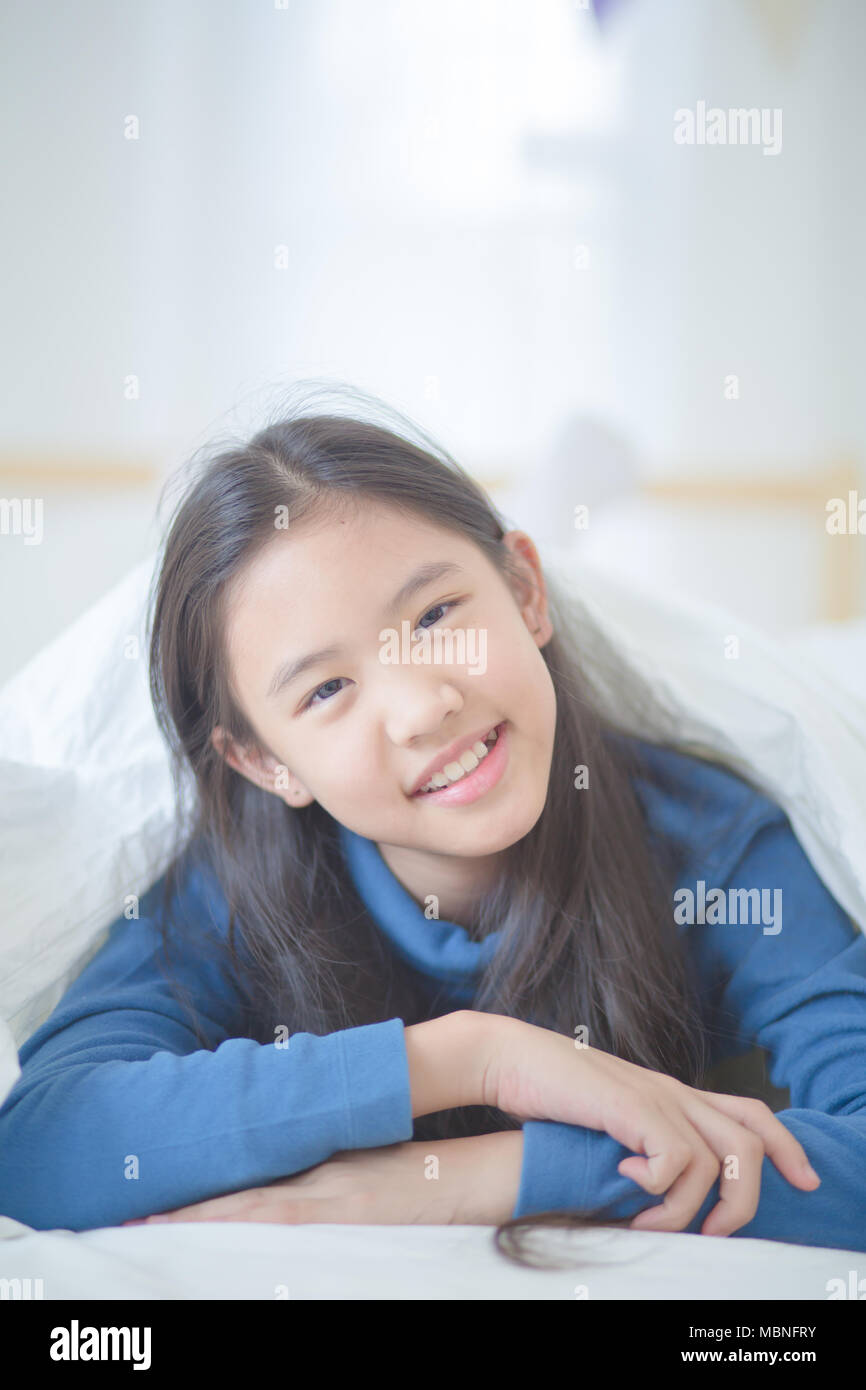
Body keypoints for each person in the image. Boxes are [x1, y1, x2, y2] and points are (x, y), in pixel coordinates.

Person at [1, 387, 864, 1266]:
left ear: (526, 590)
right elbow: (36, 1146)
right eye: (327, 690)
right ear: (266, 765)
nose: (421, 708)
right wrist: (472, 1058)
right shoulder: (232, 893)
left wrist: (476, 1177)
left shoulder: (711, 848)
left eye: (436, 616)